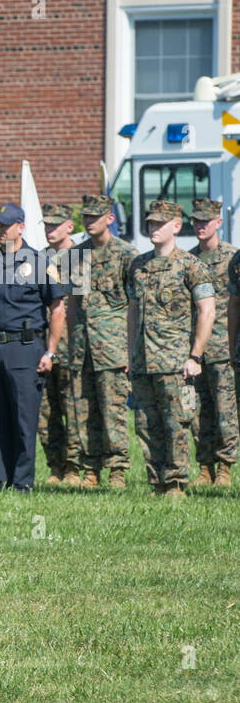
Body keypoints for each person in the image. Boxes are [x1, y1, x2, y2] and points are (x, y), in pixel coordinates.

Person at [0, 203, 66, 492]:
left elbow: (57, 309)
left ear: (20, 227)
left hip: (25, 347)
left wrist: (50, 351)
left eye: (5, 225)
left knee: (23, 418)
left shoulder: (39, 261)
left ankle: (22, 483)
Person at [126, 199, 215, 495]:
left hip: (175, 360)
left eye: (159, 223)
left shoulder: (191, 265)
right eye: (150, 223)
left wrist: (195, 355)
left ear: (176, 227)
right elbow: (132, 312)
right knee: (146, 425)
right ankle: (157, 482)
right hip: (143, 361)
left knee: (176, 424)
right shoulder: (137, 266)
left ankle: (176, 482)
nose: (153, 228)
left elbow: (206, 310)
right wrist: (130, 354)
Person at [70, 194, 137, 489]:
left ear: (110, 218)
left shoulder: (126, 255)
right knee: (85, 410)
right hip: (83, 347)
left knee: (114, 411)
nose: (88, 221)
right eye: (85, 216)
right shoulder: (77, 254)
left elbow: (135, 306)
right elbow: (73, 305)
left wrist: (130, 351)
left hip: (113, 347)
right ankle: (91, 469)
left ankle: (117, 469)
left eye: (95, 216)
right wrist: (73, 343)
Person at [186, 198, 237, 487]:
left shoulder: (232, 257)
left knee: (225, 411)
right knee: (195, 411)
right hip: (193, 351)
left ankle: (226, 469)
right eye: (196, 221)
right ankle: (205, 468)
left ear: (218, 222)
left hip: (222, 347)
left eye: (205, 221)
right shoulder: (188, 259)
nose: (200, 226)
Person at [40, 202, 82, 486]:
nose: (50, 229)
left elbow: (83, 307)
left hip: (71, 347)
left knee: (73, 410)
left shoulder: (80, 259)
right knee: (46, 411)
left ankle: (75, 468)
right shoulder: (38, 259)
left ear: (70, 226)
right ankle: (55, 467)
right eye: (46, 224)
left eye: (56, 224)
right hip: (41, 347)